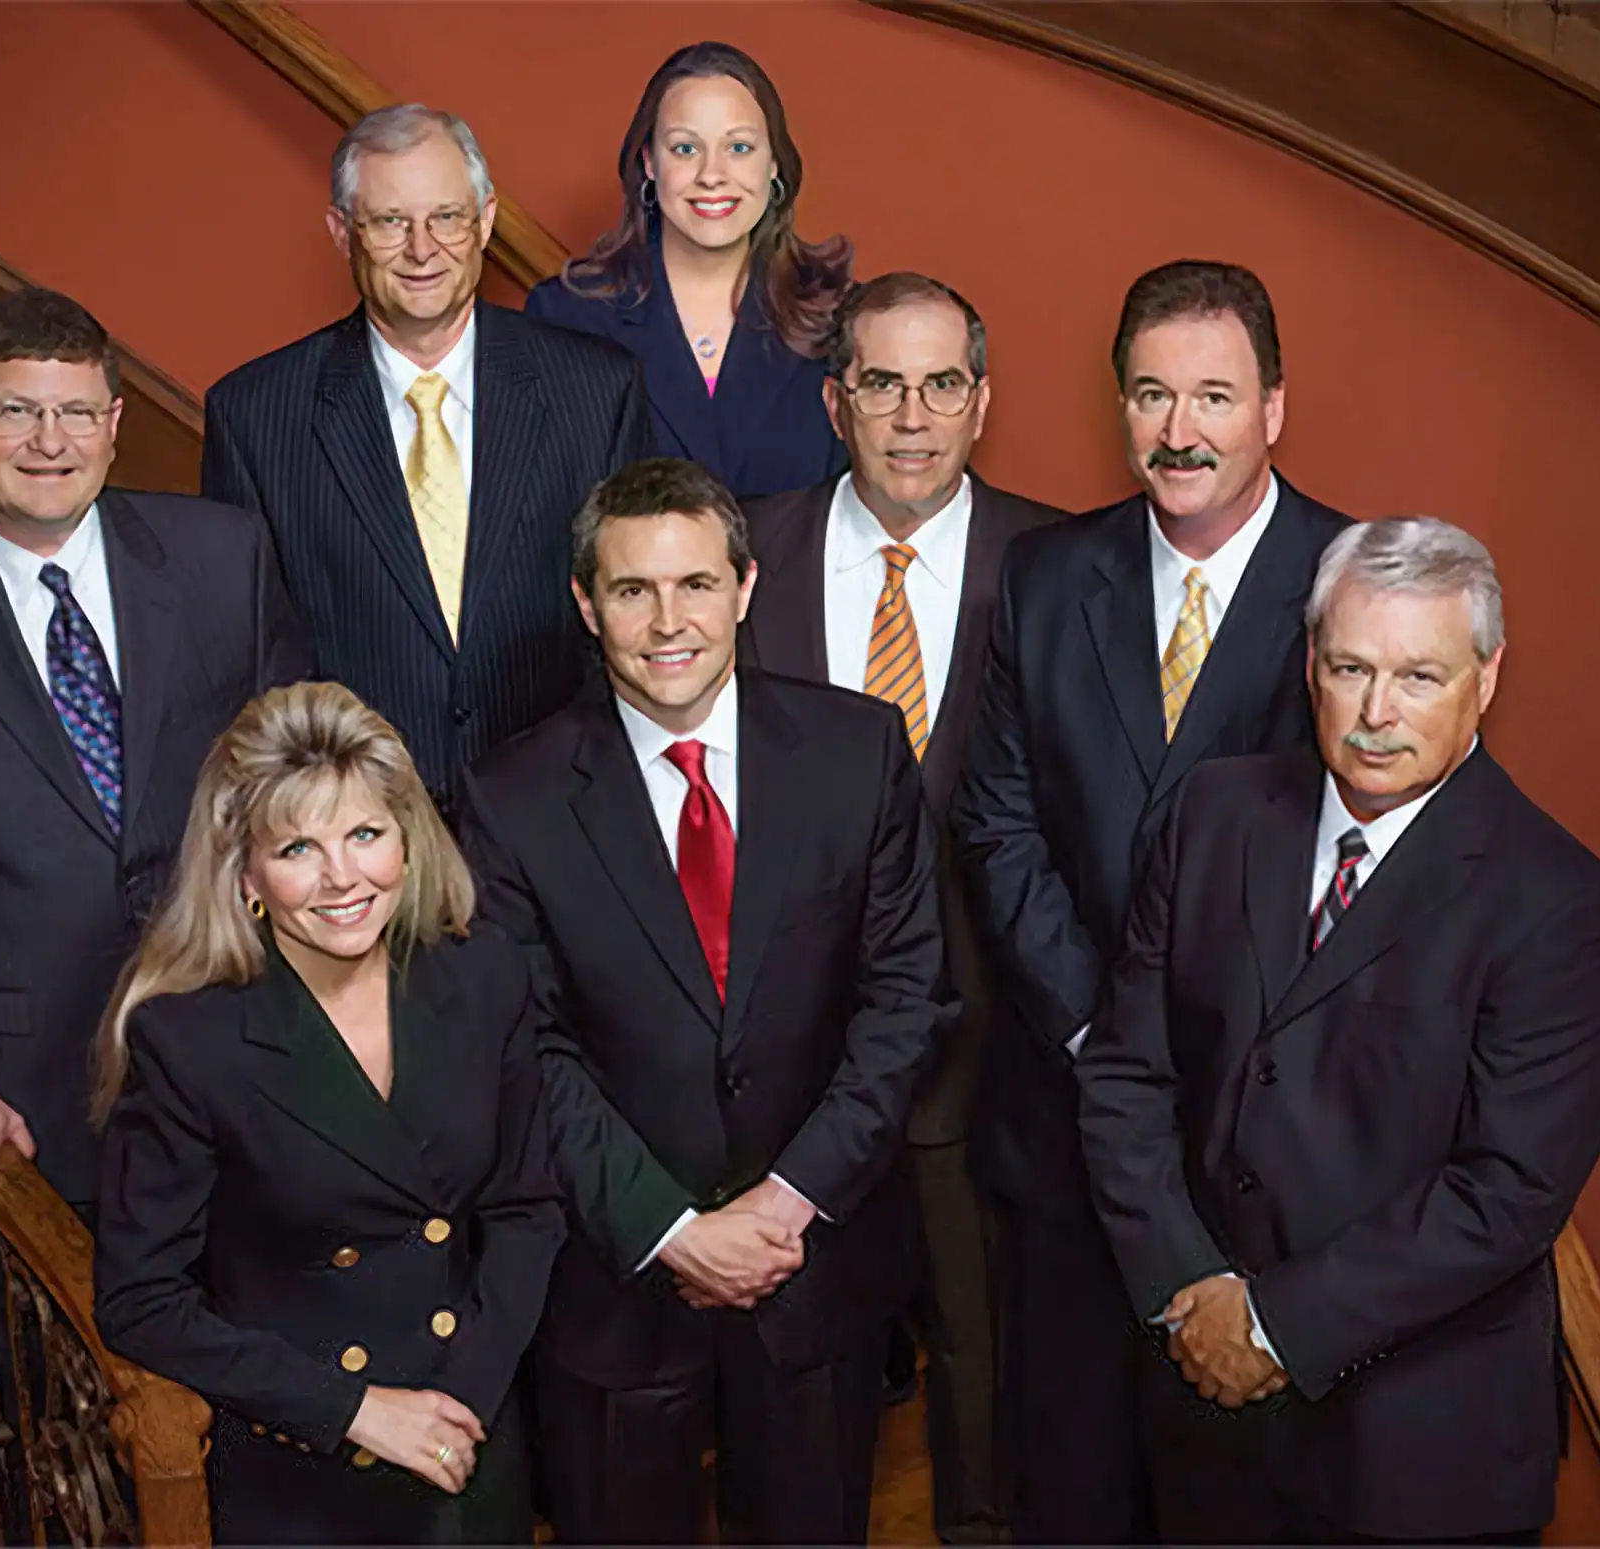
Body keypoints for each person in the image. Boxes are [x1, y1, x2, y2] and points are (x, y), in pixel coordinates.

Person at [1076, 518, 1600, 1545]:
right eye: (1350, 668)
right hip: (1198, 1407)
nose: (1377, 712)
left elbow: (1503, 1194)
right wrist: (1188, 1293)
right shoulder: (1214, 813)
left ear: (1487, 678)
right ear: (1310, 665)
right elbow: (1125, 1074)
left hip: (1416, 1454)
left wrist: (1272, 1325)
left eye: (1419, 676)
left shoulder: (1562, 905)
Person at [459, 458, 951, 1545]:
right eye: (633, 590)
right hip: (618, 1288)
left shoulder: (858, 749)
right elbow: (523, 1048)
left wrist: (785, 1203)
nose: (667, 620)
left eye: (694, 584)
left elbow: (907, 998)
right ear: (587, 605)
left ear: (745, 586)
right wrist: (673, 1229)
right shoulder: (510, 797)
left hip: (813, 1268)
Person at [949, 260, 1352, 1543]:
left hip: (1259, 1146)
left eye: (1215, 397)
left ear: (1275, 408)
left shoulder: (1355, 588)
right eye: (1152, 396)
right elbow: (996, 819)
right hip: (1065, 1125)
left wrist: (1194, 1054)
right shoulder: (1047, 575)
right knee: (1066, 1492)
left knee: (1234, 1502)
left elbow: (1369, 857)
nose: (1180, 431)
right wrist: (1098, 1033)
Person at [0, 288, 312, 1216]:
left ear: (114, 425)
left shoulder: (222, 557)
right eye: (17, 411)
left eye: (76, 411)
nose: (50, 441)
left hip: (250, 1029)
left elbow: (294, 776)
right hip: (29, 1085)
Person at [741, 271, 1065, 1542]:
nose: (913, 414)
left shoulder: (1059, 565)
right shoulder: (740, 558)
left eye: (942, 384)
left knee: (987, 1404)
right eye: (883, 383)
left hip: (992, 1069)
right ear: (838, 400)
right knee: (798, 1426)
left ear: (981, 401)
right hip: (781, 1077)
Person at [93, 681, 564, 1546]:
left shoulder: (482, 972)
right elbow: (139, 1299)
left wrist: (464, 1394)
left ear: (407, 840)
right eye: (299, 847)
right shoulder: (187, 1039)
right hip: (306, 1471)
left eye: (365, 834)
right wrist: (352, 1409)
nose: (342, 876)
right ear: (245, 873)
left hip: (469, 1439)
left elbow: (527, 1207)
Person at [203, 105, 650, 818]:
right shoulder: (255, 415)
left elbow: (630, 609)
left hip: (568, 816)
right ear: (341, 231)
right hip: (355, 832)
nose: (422, 249)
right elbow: (249, 658)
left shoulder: (598, 390)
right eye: (389, 222)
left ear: (485, 219)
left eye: (446, 217)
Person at [524, 42, 853, 501]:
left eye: (739, 147)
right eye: (685, 148)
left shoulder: (843, 318)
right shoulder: (566, 315)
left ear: (773, 163)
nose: (711, 175)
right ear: (649, 163)